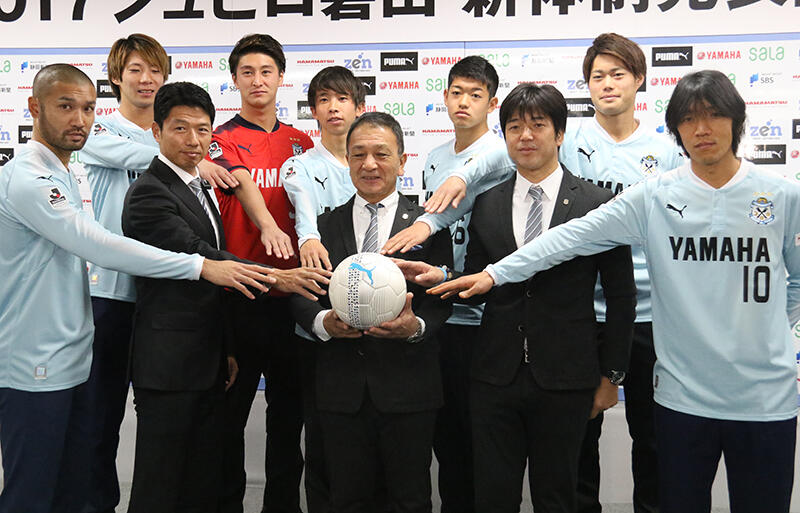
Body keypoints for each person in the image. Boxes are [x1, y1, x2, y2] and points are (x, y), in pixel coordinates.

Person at [427, 70, 799, 513]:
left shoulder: (784, 195)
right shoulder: (653, 196)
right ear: (676, 129)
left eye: (714, 115)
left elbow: (795, 283)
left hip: (766, 398)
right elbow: (569, 238)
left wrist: (769, 332)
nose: (702, 129)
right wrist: (492, 273)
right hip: (683, 396)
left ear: (736, 120)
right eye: (688, 119)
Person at [0, 64, 275, 513]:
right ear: (34, 107)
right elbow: (99, 244)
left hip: (69, 358)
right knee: (32, 493)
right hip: (32, 364)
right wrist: (201, 266)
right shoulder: (29, 177)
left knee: (72, 487)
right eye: (65, 106)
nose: (80, 120)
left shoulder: (64, 172)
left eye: (88, 108)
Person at [399, 83, 636, 513]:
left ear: (559, 134)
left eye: (537, 125)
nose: (525, 136)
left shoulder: (598, 203)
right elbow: (481, 282)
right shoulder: (487, 202)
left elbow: (621, 298)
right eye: (514, 127)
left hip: (567, 378)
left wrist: (611, 377)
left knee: (559, 497)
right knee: (493, 496)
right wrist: (446, 276)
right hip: (494, 377)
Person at [121, 81, 328, 513]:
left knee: (199, 482)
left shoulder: (199, 187)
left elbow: (211, 285)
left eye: (202, 130)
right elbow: (203, 256)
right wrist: (279, 277)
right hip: (170, 366)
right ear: (157, 132)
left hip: (207, 357)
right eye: (180, 128)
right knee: (160, 485)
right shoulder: (149, 193)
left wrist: (227, 349)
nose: (193, 140)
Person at [77, 33, 238, 513]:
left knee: (175, 428)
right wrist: (196, 159)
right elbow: (155, 159)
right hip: (113, 294)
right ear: (115, 77)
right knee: (100, 417)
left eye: (155, 71)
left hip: (168, 298)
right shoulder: (96, 130)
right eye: (135, 70)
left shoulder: (185, 141)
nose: (146, 79)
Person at [291, 112, 453, 513]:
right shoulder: (320, 227)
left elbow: (441, 297)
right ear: (347, 161)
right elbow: (300, 291)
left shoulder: (428, 226)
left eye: (381, 154)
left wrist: (416, 327)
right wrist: (323, 323)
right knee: (346, 499)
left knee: (410, 499)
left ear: (402, 161)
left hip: (410, 389)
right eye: (359, 154)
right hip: (340, 390)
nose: (369, 164)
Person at [207, 33, 314, 513]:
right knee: (228, 419)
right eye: (247, 72)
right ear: (234, 79)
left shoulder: (301, 142)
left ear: (281, 78)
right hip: (241, 294)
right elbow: (241, 182)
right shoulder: (218, 139)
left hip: (295, 297)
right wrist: (267, 226)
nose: (257, 80)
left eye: (266, 71)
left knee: (289, 420)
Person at [416, 55, 509, 513]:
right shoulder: (434, 158)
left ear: (492, 103)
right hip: (440, 311)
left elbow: (489, 162)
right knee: (446, 435)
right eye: (456, 93)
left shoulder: (504, 151)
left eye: (475, 95)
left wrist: (461, 176)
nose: (464, 102)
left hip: (488, 312)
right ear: (445, 97)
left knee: (483, 437)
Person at [280, 65, 366, 513]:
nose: (333, 108)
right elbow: (304, 213)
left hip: (373, 313)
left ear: (360, 107)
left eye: (343, 99)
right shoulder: (299, 166)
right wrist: (309, 238)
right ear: (313, 111)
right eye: (324, 100)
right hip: (320, 314)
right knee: (321, 436)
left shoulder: (371, 162)